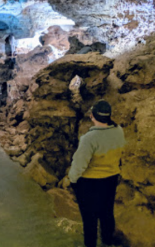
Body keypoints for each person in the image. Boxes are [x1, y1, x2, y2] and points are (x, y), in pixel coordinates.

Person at [68, 100, 126, 247]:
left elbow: (80, 164)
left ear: (92, 116)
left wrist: (72, 180)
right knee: (107, 213)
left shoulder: (89, 139)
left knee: (90, 219)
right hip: (111, 179)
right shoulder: (119, 131)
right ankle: (107, 241)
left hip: (89, 183)